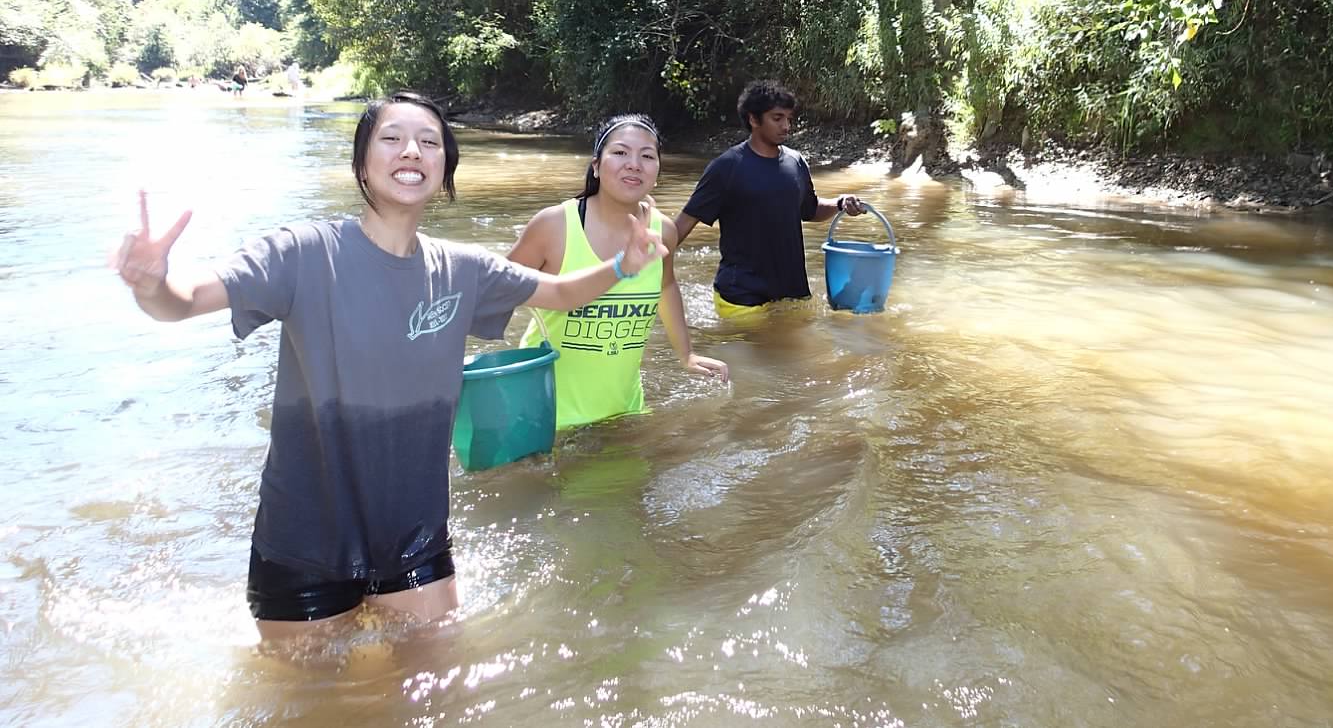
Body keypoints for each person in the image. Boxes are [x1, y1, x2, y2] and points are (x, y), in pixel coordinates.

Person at [110, 90, 662, 642]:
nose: (412, 152)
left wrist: (622, 263)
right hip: (306, 540)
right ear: (362, 163)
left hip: (414, 534)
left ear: (445, 168)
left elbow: (561, 293)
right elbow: (184, 301)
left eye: (429, 143)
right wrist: (152, 283)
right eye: (392, 139)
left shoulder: (462, 269)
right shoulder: (303, 252)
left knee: (432, 698)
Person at [508, 114, 727, 430]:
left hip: (623, 411)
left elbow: (666, 286)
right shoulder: (554, 226)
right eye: (621, 152)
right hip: (542, 416)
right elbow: (493, 286)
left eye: (647, 156)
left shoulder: (663, 231)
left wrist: (687, 355)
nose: (634, 164)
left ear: (657, 171)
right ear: (596, 165)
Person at [673, 79, 865, 318]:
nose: (786, 126)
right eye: (777, 118)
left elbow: (810, 210)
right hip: (741, 297)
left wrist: (839, 203)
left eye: (788, 118)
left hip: (791, 292)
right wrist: (639, 263)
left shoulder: (795, 162)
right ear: (754, 119)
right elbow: (681, 226)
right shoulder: (726, 167)